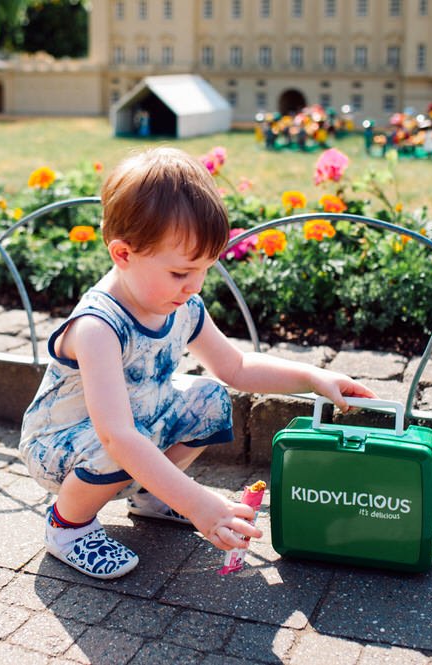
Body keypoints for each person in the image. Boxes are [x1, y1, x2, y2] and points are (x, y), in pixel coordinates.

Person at [19, 147, 376, 579]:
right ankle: (67, 526)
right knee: (116, 446)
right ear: (123, 254)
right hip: (62, 445)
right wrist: (200, 505)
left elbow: (237, 367)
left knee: (209, 398)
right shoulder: (99, 326)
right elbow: (116, 436)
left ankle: (150, 497)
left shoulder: (181, 305)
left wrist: (314, 377)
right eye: (180, 272)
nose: (193, 285)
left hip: (134, 427)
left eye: (206, 268)